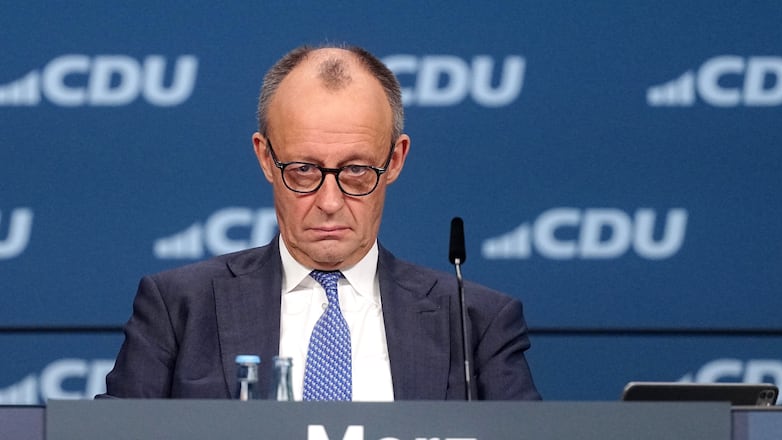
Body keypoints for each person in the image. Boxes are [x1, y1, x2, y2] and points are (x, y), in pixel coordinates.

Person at [100, 44, 541, 401]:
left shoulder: (475, 322)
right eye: (304, 170)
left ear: (395, 160)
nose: (329, 202)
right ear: (265, 158)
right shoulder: (180, 307)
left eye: (355, 171)